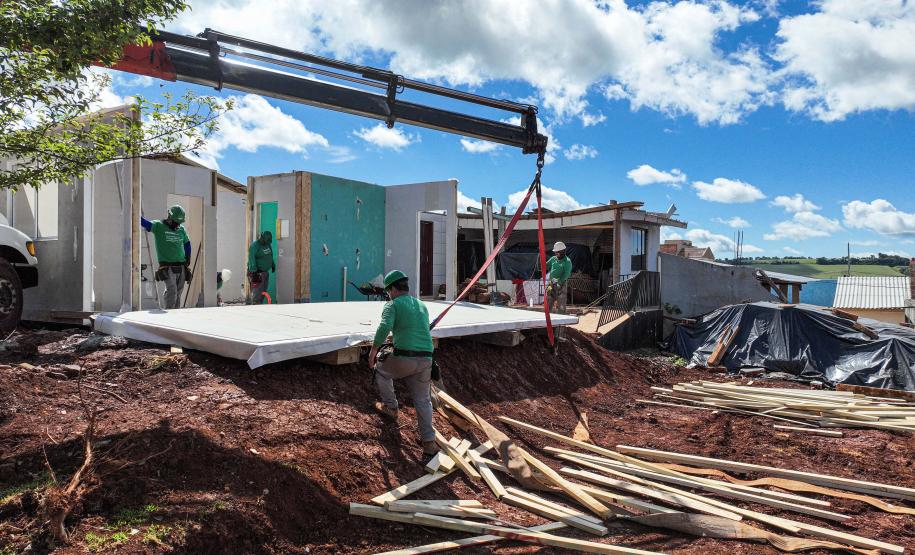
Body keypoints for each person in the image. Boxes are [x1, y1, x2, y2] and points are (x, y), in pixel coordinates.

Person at [369, 270, 437, 456]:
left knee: (381, 370)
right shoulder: (421, 305)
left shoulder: (392, 305)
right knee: (423, 400)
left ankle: (391, 407)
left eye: (388, 291)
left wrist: (374, 351)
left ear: (392, 289)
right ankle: (429, 442)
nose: (388, 294)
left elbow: (385, 327)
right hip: (426, 359)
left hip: (406, 358)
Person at [141, 205, 191, 309]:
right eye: (175, 222)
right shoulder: (158, 226)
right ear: (169, 217)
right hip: (167, 266)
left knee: (179, 291)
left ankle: (176, 314)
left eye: (179, 223)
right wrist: (135, 213)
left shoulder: (181, 229)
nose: (177, 225)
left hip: (181, 266)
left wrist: (188, 257)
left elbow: (187, 243)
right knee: (172, 290)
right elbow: (146, 224)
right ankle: (169, 313)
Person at [247, 231, 275, 304]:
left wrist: (272, 264)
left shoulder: (267, 244)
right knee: (257, 292)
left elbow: (270, 254)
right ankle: (255, 306)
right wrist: (254, 272)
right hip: (257, 273)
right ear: (262, 238)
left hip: (265, 272)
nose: (268, 242)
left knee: (263, 291)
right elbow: (251, 259)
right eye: (267, 240)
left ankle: (260, 305)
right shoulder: (254, 246)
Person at [546, 241, 572, 315]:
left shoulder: (567, 262)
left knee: (561, 306)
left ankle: (561, 323)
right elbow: (545, 266)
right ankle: (547, 321)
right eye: (555, 252)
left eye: (557, 252)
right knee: (548, 304)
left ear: (563, 251)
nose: (556, 253)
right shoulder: (553, 259)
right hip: (551, 284)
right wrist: (540, 261)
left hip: (561, 284)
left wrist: (559, 283)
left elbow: (566, 274)